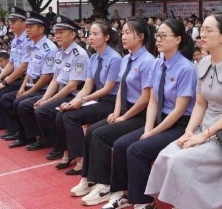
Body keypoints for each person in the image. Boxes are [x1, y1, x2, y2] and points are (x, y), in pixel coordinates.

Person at [144, 13, 222, 209]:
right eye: (201, 29)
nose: (201, 34)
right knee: (168, 154)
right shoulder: (203, 63)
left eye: (208, 31)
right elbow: (201, 104)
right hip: (205, 127)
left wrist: (204, 134)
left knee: (185, 160)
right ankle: (183, 207)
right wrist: (189, 132)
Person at [96, 19, 197, 209]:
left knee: (137, 150)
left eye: (164, 36)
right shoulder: (159, 63)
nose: (158, 40)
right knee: (121, 144)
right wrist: (149, 128)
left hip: (179, 124)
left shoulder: (186, 68)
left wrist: (153, 132)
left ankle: (145, 204)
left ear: (178, 39)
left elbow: (179, 111)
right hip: (160, 119)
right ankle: (123, 193)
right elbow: (152, 100)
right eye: (158, 35)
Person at [67, 18, 155, 192]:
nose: (123, 36)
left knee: (101, 135)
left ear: (141, 37)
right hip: (124, 108)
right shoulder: (126, 58)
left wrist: (124, 116)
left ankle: (105, 184)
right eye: (123, 32)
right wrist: (116, 111)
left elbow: (145, 99)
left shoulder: (148, 61)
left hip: (140, 114)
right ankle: (88, 178)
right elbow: (121, 87)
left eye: (128, 32)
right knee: (91, 131)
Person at [49, 20, 122, 169]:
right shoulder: (94, 58)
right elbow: (87, 86)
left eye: (95, 34)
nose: (91, 37)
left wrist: (82, 101)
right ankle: (68, 152)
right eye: (90, 34)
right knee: (62, 113)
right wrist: (72, 102)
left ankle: (82, 159)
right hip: (98, 99)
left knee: (70, 117)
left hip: (112, 102)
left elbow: (108, 88)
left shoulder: (115, 58)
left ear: (106, 37)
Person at [26, 16, 90, 151]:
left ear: (73, 34)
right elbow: (55, 79)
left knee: (43, 110)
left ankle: (60, 146)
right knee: (36, 106)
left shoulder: (79, 54)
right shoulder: (59, 53)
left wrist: (48, 101)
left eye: (62, 32)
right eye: (56, 32)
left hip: (73, 95)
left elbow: (72, 85)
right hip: (60, 92)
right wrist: (44, 98)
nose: (57, 36)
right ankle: (52, 141)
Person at [3, 11, 58, 149]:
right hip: (30, 84)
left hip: (43, 88)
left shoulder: (49, 48)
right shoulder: (32, 46)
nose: (27, 29)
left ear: (41, 29)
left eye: (31, 27)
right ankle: (26, 135)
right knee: (11, 99)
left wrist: (29, 91)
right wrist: (22, 87)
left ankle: (38, 137)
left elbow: (47, 77)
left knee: (21, 103)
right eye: (26, 26)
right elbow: (29, 69)